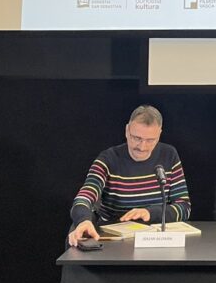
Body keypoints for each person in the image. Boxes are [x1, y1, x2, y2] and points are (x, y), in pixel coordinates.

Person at [67, 104, 190, 245]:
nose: (142, 147)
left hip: (156, 240)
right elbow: (84, 198)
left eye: (150, 140)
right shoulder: (108, 159)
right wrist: (83, 220)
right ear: (127, 131)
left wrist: (149, 213)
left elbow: (184, 207)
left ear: (159, 135)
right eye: (136, 138)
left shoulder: (169, 155)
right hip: (115, 241)